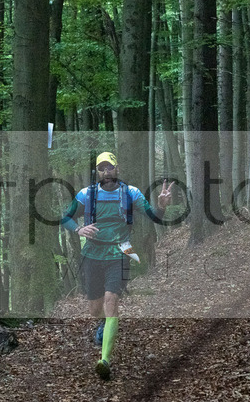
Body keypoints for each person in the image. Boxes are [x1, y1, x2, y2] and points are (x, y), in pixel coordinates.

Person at [61, 151, 173, 380]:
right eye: (101, 168)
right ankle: (103, 324)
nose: (106, 171)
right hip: (92, 255)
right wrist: (78, 229)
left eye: (109, 167)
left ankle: (104, 360)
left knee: (111, 301)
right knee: (95, 309)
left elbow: (155, 216)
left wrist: (161, 206)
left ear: (117, 168)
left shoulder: (130, 193)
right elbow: (65, 217)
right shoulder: (86, 195)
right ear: (97, 172)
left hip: (119, 253)